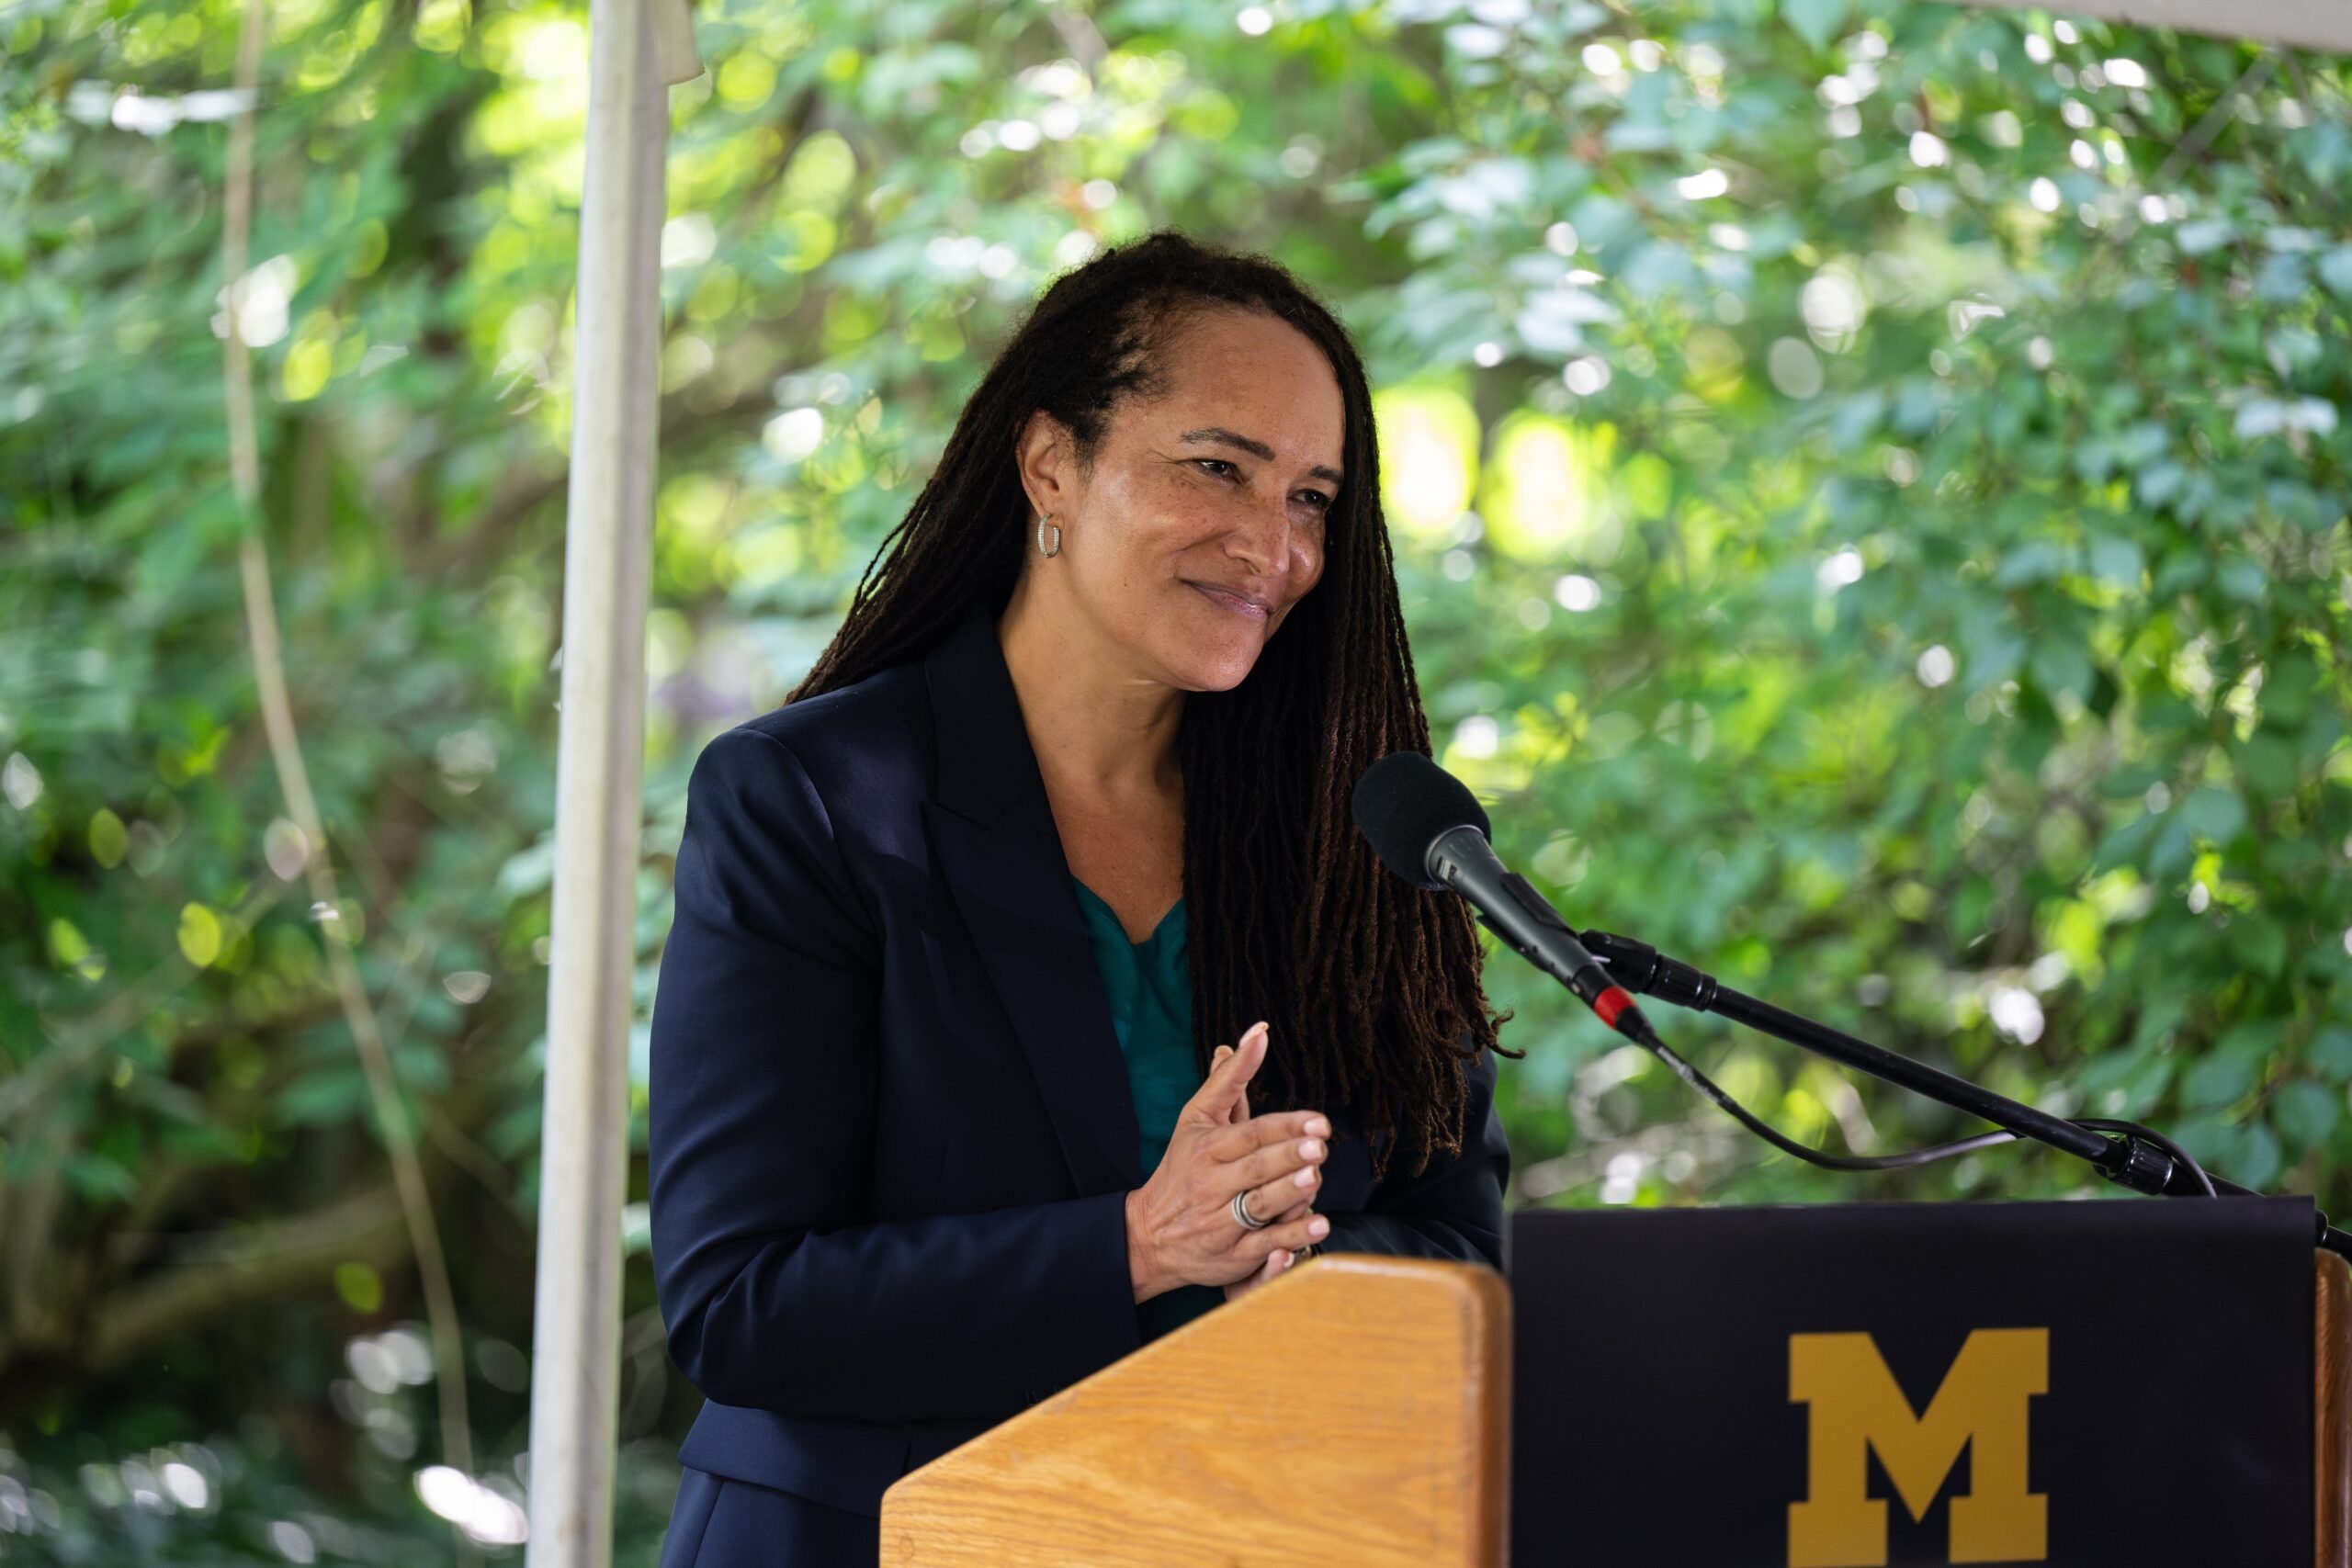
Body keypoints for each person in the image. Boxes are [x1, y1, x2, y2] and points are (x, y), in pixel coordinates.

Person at [646, 230, 1517, 1567]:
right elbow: (741, 1302)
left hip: (1232, 1532)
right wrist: (1139, 1244)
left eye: (1311, 499)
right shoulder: (811, 799)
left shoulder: (1358, 838)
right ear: (1054, 464)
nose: (1271, 546)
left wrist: (1275, 1255)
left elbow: (1458, 1258)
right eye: (1217, 468)